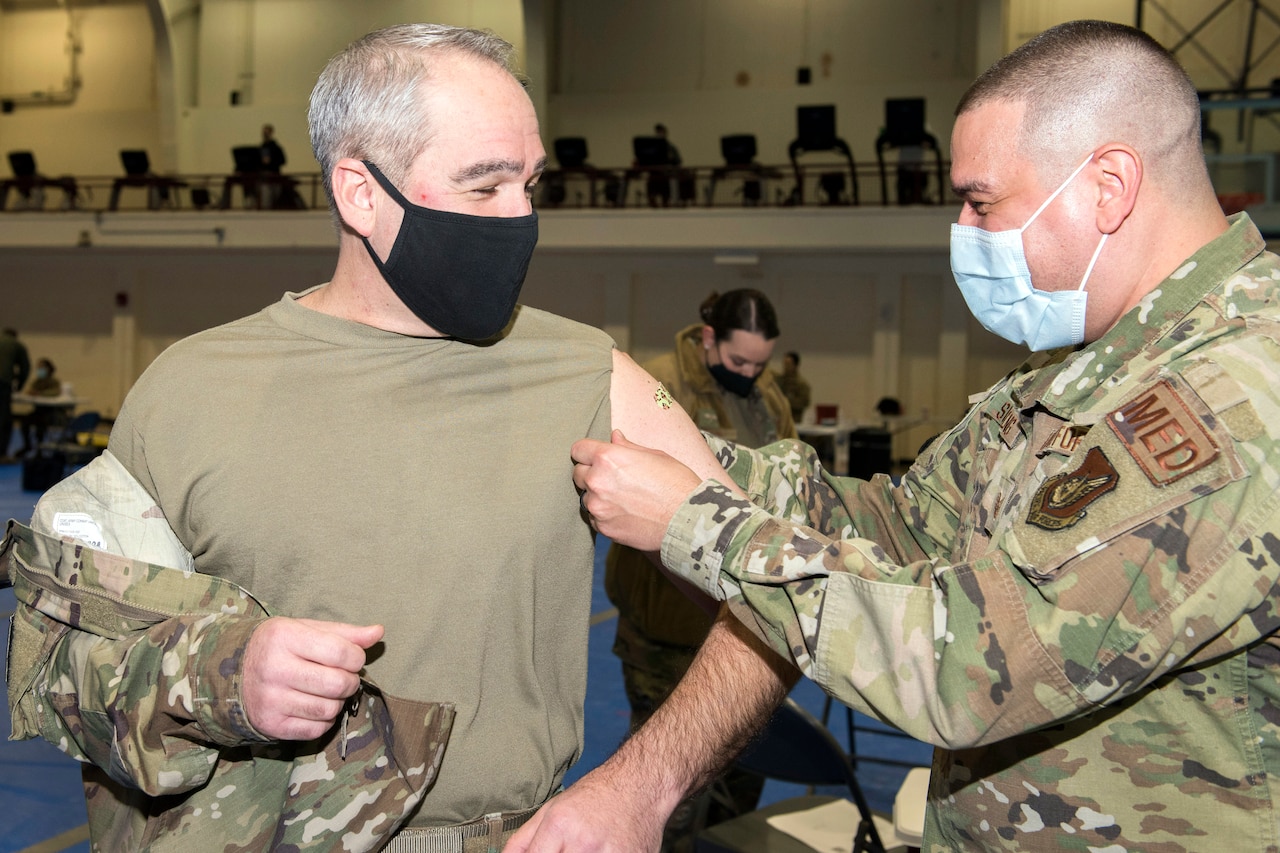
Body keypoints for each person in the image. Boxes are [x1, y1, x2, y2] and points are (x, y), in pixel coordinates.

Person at [2, 24, 792, 852]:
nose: (522, 218)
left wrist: (642, 786)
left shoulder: (588, 375)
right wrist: (223, 670)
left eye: (530, 184)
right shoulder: (190, 388)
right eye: (485, 188)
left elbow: (780, 600)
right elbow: (63, 663)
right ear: (360, 193)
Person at [565, 19, 1280, 851]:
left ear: (1108, 186)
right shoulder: (1083, 370)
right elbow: (899, 523)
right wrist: (676, 446)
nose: (966, 231)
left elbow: (974, 663)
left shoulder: (1229, 402)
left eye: (982, 200)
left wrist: (698, 524)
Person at [604, 288, 795, 850]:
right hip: (665, 626)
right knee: (663, 794)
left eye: (760, 365)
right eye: (739, 362)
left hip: (747, 630)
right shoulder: (655, 385)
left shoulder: (768, 399)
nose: (750, 374)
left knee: (740, 784)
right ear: (709, 338)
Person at [15, 357, 61, 456]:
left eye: (42, 367)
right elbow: (30, 390)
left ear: (48, 368)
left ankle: (40, 449)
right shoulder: (38, 381)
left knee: (41, 425)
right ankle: (27, 445)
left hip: (50, 412)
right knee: (25, 423)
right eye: (38, 367)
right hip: (38, 411)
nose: (39, 370)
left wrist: (40, 393)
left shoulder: (53, 381)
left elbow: (55, 392)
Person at [0, 328, 31, 462]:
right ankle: (2, 454)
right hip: (3, 383)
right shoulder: (17, 345)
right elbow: (25, 368)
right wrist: (19, 386)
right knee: (4, 420)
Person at [776, 350, 811, 422]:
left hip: (794, 420)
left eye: (788, 364)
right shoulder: (779, 381)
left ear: (795, 365)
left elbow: (804, 402)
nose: (785, 367)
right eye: (784, 364)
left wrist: (786, 401)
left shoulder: (801, 384)